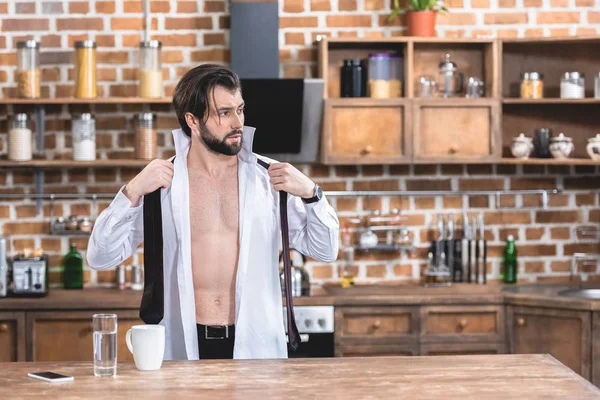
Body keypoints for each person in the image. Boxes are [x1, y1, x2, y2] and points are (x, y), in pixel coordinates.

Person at [87, 64, 340, 360]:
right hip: (183, 344)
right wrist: (130, 192)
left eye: (240, 110)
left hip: (255, 346)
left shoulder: (270, 180)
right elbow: (100, 257)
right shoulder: (160, 185)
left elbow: (325, 250)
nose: (238, 123)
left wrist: (313, 194)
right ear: (192, 121)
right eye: (224, 113)